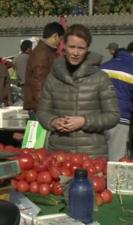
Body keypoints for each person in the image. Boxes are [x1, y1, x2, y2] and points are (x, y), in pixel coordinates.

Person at [37, 24, 120, 157]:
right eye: (72, 47)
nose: (75, 53)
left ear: (87, 50)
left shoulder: (100, 78)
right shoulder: (53, 77)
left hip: (92, 154)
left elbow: (113, 116)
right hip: (59, 153)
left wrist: (84, 121)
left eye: (81, 48)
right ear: (64, 47)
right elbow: (42, 112)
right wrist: (53, 121)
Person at [101, 41, 133, 161]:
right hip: (120, 120)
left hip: (98, 118)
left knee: (99, 161)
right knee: (116, 161)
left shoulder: (104, 66)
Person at [23, 22, 65, 115]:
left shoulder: (47, 51)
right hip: (40, 107)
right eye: (60, 39)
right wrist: (45, 107)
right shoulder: (43, 53)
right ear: (55, 36)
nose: (60, 43)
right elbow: (39, 82)